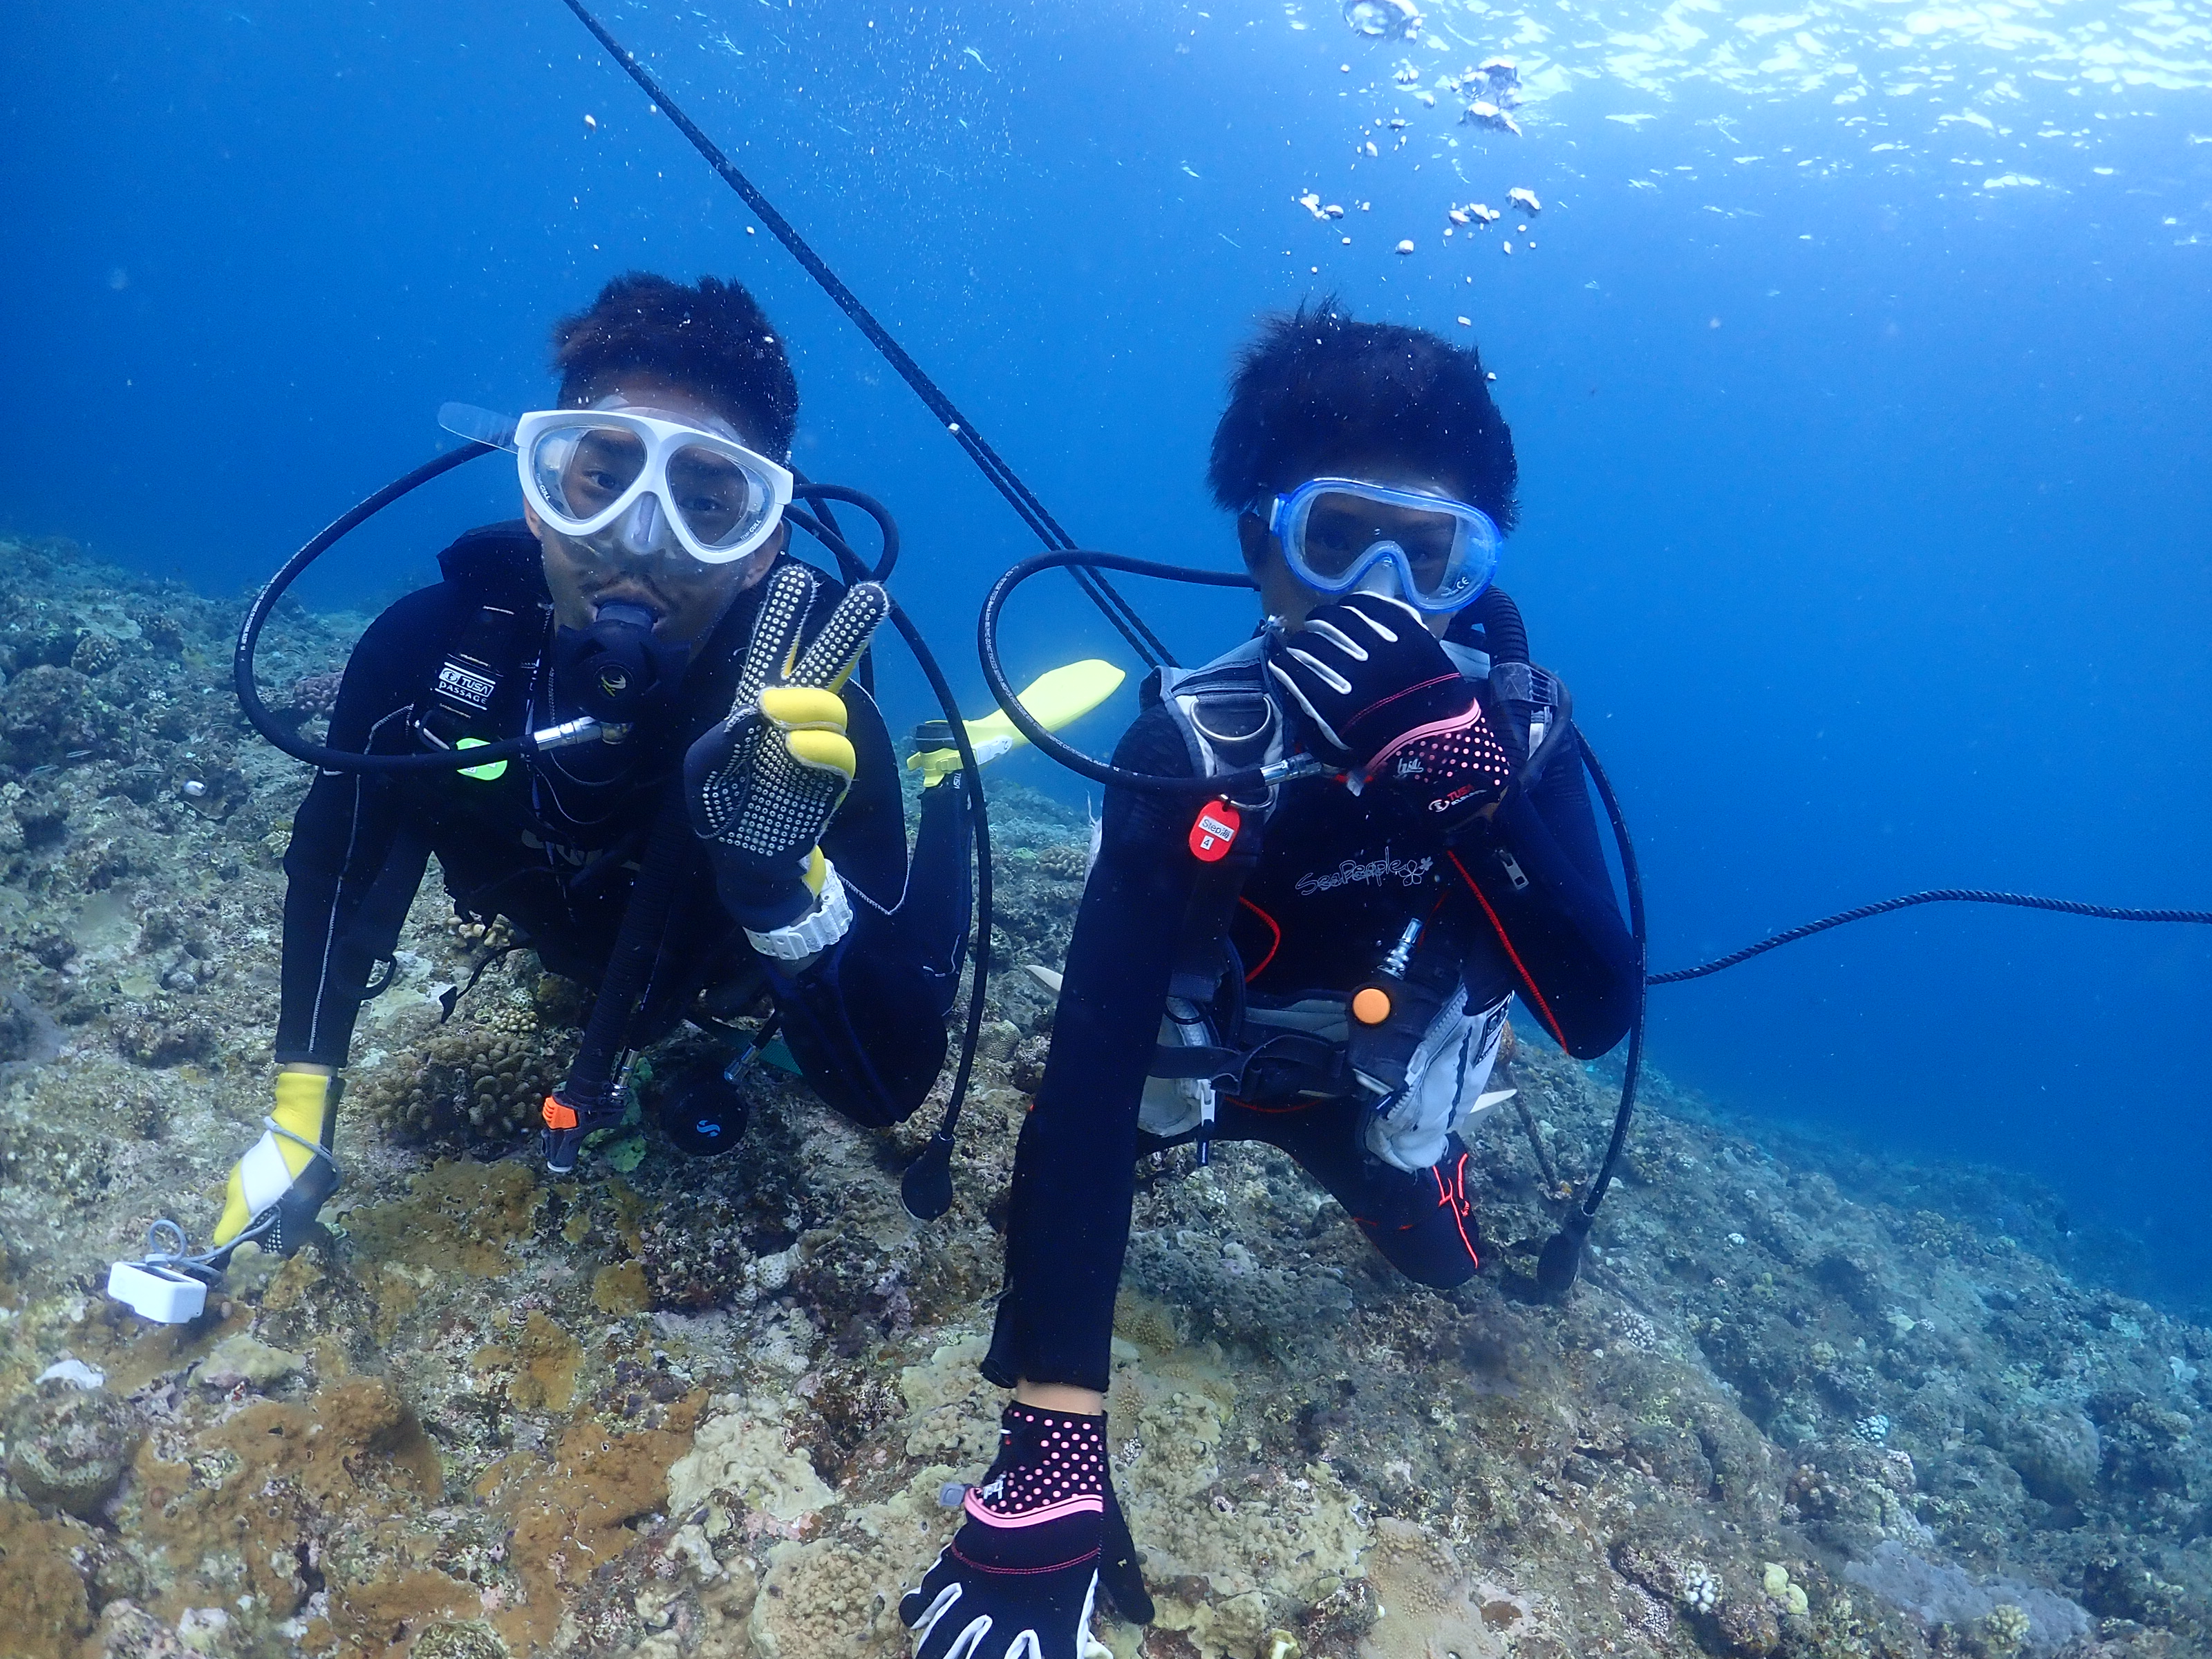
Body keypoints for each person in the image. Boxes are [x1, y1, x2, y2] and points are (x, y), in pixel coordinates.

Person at [898, 301, 1640, 1659]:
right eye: (1336, 541)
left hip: (1368, 1100)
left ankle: (1417, 1176)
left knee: (1443, 1274)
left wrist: (1474, 797)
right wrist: (1055, 1454)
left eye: (1430, 557)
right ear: (1261, 547)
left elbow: (1592, 1015)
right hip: (1188, 1077)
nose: (1381, 599)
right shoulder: (1194, 747)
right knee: (1050, 1192)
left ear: (1475, 571)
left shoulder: (1517, 743)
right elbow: (1086, 1084)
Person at [208, 272, 976, 1258]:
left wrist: (782, 895)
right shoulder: (425, 659)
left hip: (726, 979)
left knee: (917, 948)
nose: (639, 546)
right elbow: (336, 869)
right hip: (578, 948)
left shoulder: (804, 721)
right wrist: (298, 1116)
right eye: (604, 482)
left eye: (707, 504)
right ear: (539, 498)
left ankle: (950, 774)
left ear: (762, 547)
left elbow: (888, 1087)